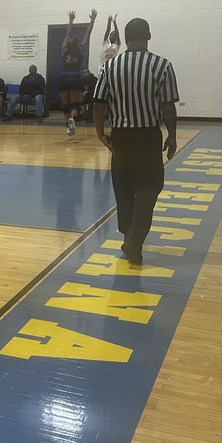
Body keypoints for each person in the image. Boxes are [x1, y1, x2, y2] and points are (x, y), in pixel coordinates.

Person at [93, 17, 179, 267]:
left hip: (121, 136)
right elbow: (167, 106)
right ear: (149, 37)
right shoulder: (162, 65)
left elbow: (97, 103)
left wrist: (100, 133)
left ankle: (129, 236)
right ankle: (135, 241)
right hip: (148, 135)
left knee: (124, 188)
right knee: (149, 188)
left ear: (126, 40)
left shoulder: (109, 67)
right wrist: (172, 135)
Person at [60, 8, 97, 135]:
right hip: (74, 77)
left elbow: (67, 33)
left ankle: (69, 128)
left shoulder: (64, 49)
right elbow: (88, 34)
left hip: (63, 77)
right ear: (78, 44)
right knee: (76, 103)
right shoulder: (81, 51)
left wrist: (71, 20)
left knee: (66, 104)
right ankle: (73, 119)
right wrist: (92, 20)